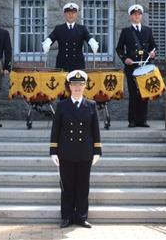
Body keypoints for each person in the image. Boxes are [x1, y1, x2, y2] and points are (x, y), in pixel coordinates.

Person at [49, 70, 101, 229]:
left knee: (83, 187)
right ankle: (66, 217)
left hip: (85, 152)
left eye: (80, 84)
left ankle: (81, 217)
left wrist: (97, 151)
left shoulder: (91, 105)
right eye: (74, 84)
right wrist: (53, 151)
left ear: (85, 86)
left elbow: (95, 130)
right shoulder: (62, 105)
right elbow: (56, 130)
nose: (77, 87)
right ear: (69, 86)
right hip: (66, 153)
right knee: (67, 187)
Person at [115, 4, 157, 128]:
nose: (136, 16)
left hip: (145, 66)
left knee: (144, 93)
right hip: (132, 67)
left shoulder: (147, 30)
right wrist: (125, 59)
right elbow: (119, 49)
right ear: (130, 16)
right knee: (133, 94)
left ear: (141, 16)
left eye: (139, 14)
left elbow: (153, 46)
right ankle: (132, 121)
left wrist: (153, 53)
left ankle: (142, 120)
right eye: (134, 14)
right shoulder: (126, 31)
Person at [43, 3, 99, 72]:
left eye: (73, 13)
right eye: (68, 13)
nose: (70, 15)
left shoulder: (82, 29)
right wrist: (47, 42)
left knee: (78, 82)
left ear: (76, 14)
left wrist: (92, 42)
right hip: (62, 64)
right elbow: (51, 38)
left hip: (78, 64)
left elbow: (88, 37)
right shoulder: (59, 29)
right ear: (64, 14)